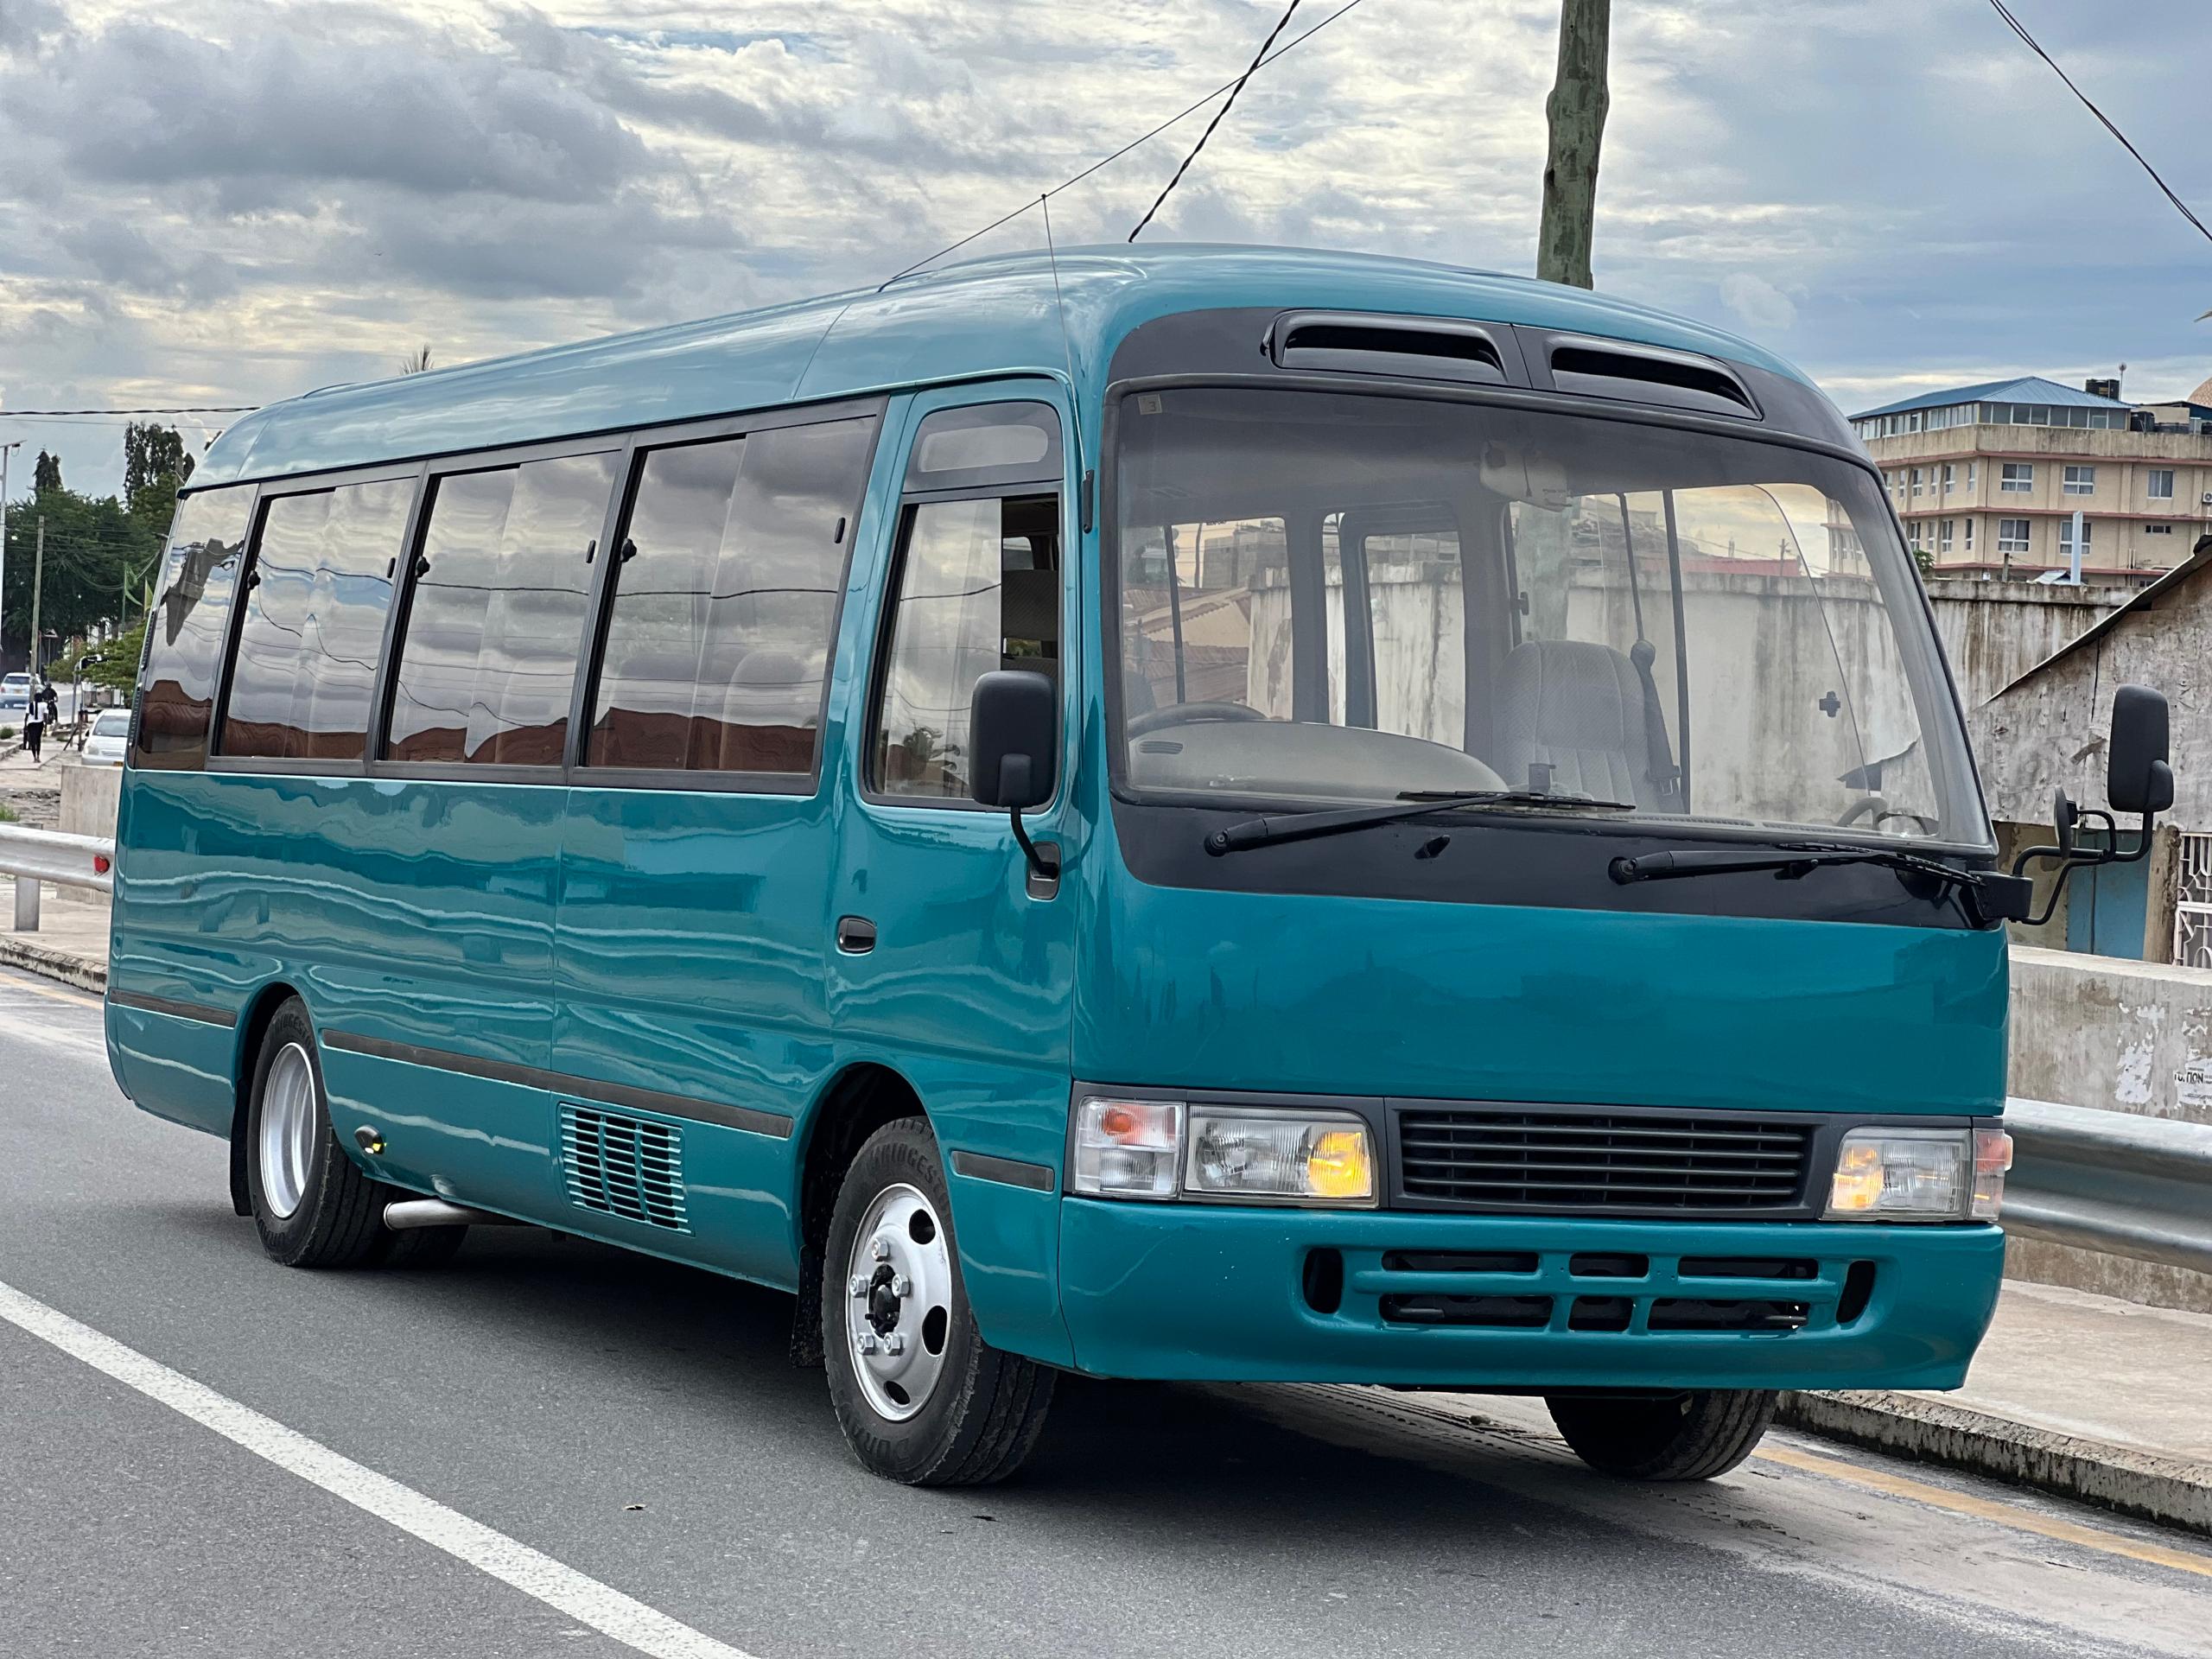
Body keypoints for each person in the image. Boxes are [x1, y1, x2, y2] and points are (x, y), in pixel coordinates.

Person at [22, 683, 44, 761]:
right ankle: (38, 756)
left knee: (32, 740)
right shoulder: (44, 705)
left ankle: (34, 757)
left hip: (31, 724)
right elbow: (46, 715)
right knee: (38, 740)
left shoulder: (30, 705)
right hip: (39, 724)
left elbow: (26, 716)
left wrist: (25, 725)